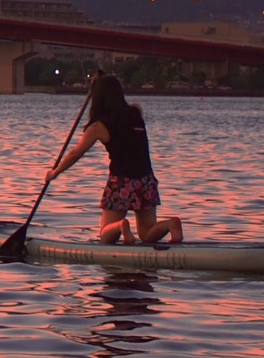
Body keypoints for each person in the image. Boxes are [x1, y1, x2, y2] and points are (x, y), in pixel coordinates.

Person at [45, 74, 185, 244]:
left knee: (105, 235)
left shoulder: (98, 127)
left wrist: (55, 172)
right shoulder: (136, 111)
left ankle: (121, 226)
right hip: (146, 180)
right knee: (147, 234)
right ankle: (171, 224)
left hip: (121, 182)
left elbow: (76, 153)